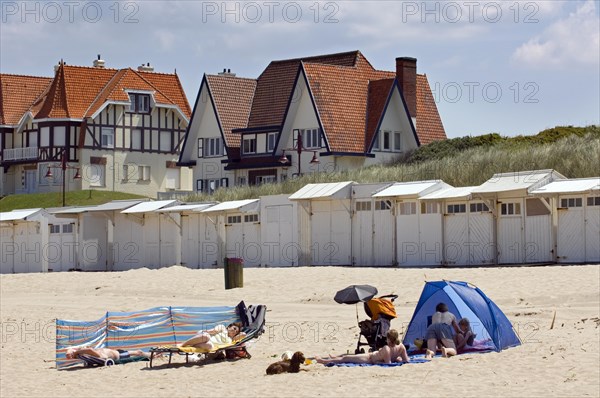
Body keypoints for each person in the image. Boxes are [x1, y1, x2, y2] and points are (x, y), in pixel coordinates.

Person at [315, 329, 409, 365]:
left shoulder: (387, 348)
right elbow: (406, 360)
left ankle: (323, 361)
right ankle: (334, 358)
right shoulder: (401, 346)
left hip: (369, 359)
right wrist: (398, 359)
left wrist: (377, 361)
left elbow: (387, 363)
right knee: (346, 358)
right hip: (371, 355)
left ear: (388, 339)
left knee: (345, 358)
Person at [179, 322, 245, 351]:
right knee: (206, 337)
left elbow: (244, 334)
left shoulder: (231, 340)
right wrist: (204, 331)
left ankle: (190, 346)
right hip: (205, 336)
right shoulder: (223, 328)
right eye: (234, 328)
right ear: (229, 327)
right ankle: (183, 344)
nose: (234, 332)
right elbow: (214, 331)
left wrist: (239, 331)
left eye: (236, 332)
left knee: (209, 346)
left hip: (210, 344)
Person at [66, 346, 152, 361]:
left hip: (117, 352)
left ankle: (151, 355)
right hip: (118, 355)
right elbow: (89, 350)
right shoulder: (96, 356)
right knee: (138, 352)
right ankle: (152, 355)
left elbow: (69, 349)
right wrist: (75, 352)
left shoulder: (92, 354)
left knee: (138, 352)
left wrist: (71, 352)